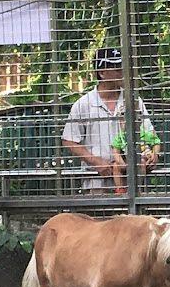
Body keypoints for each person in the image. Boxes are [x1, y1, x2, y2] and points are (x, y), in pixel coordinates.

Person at [62, 47, 160, 193]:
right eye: (117, 69)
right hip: (97, 181)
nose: (122, 73)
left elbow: (149, 131)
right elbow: (69, 140)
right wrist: (96, 162)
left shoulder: (133, 101)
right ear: (102, 73)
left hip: (133, 182)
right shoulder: (84, 104)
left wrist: (154, 154)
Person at [111, 124, 160, 194]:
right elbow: (115, 151)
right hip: (126, 160)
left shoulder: (144, 133)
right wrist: (120, 162)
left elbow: (156, 142)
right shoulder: (120, 136)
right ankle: (120, 190)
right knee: (116, 166)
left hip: (142, 158)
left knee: (141, 162)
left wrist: (154, 154)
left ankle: (137, 188)